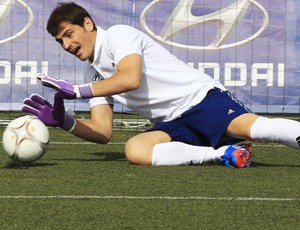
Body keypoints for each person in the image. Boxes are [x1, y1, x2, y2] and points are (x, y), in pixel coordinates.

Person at [22, 2, 300, 168]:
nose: (67, 45)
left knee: (254, 129)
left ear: (88, 23)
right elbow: (102, 132)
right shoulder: (93, 72)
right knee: (136, 150)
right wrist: (65, 122)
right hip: (175, 122)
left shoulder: (119, 35)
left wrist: (78, 92)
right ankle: (222, 154)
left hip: (201, 101)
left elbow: (131, 78)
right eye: (60, 42)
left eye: (69, 34)